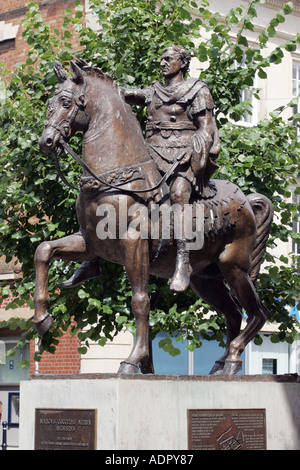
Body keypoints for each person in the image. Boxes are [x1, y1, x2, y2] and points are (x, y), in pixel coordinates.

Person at [63, 45, 220, 292]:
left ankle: (182, 261)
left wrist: (192, 149)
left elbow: (207, 128)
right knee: (112, 191)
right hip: (153, 154)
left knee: (179, 194)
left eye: (169, 58)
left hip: (182, 156)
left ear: (183, 62)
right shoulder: (153, 91)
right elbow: (118, 93)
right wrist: (87, 78)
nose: (163, 62)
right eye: (161, 58)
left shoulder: (197, 89)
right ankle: (92, 256)